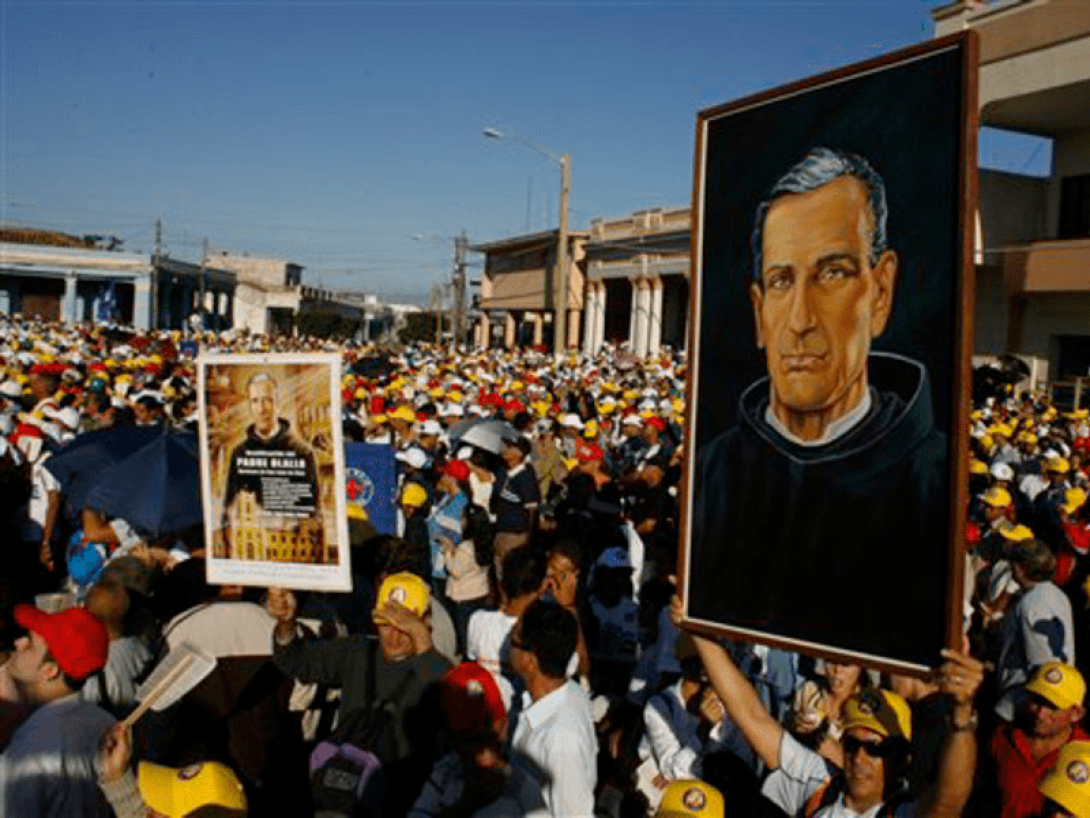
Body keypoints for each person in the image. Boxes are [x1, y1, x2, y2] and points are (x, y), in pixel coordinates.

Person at [689, 147, 948, 665]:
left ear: (880, 291)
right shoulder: (714, 470)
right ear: (760, 312)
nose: (801, 320)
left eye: (831, 273)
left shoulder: (933, 479)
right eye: (782, 281)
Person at [670, 596, 982, 817]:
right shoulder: (822, 785)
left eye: (876, 749)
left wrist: (962, 712)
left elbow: (948, 803)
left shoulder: (903, 813)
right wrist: (698, 631)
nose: (859, 757)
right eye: (851, 744)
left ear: (902, 759)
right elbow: (751, 715)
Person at [268, 573, 450, 815]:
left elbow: (450, 697)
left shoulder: (434, 668)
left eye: (405, 627)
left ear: (425, 625)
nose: (393, 636)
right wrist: (286, 624)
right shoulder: (357, 650)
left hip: (404, 803)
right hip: (345, 796)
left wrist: (422, 642)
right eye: (385, 624)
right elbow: (294, 660)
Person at [0, 603, 114, 816]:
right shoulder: (105, 721)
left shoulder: (27, 753)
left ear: (50, 671)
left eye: (30, 645)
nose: (18, 643)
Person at [408, 661, 546, 817]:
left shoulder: (524, 788)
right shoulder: (444, 774)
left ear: (504, 724)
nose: (483, 751)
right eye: (470, 736)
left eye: (489, 731)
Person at [508, 599, 597, 818]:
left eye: (513, 641)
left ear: (529, 661)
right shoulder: (570, 690)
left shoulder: (560, 740)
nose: (508, 646)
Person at [221, 373, 321, 560]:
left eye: (267, 400)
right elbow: (228, 508)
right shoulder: (240, 453)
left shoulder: (302, 452)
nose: (261, 409)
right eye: (255, 401)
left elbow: (313, 510)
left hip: (289, 549)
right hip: (248, 552)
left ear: (278, 403)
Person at [989, 662, 1089, 818]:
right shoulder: (1002, 736)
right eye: (1036, 701)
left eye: (1052, 707)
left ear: (1076, 713)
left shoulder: (1086, 755)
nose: (1040, 713)